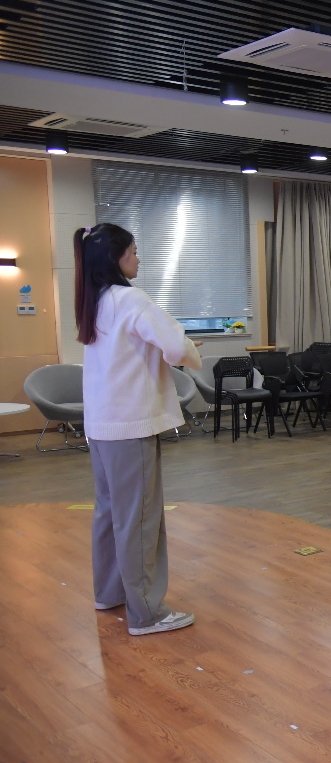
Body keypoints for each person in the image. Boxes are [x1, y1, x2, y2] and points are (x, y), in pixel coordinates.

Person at [75, 223, 202, 636]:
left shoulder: (94, 301)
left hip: (102, 426)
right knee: (140, 519)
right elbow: (177, 346)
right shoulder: (130, 298)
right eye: (133, 251)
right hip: (130, 426)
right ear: (117, 259)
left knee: (110, 512)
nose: (138, 258)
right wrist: (188, 352)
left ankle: (110, 592)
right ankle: (147, 612)